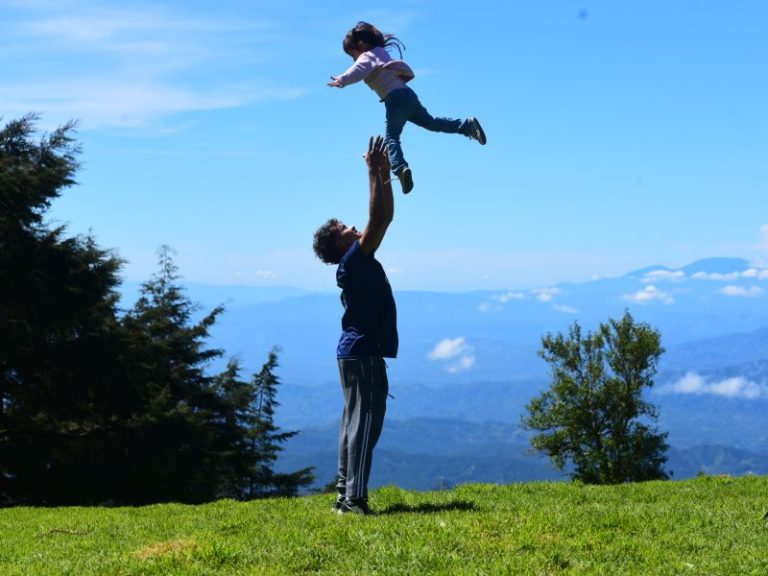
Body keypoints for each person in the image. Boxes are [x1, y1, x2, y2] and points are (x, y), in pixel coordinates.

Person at [312, 135, 397, 516]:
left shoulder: (353, 263)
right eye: (346, 227)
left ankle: (344, 496)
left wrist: (384, 174)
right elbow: (380, 219)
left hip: (354, 353)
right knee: (363, 426)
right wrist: (373, 173)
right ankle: (354, 500)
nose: (354, 227)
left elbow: (384, 218)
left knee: (353, 424)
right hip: (362, 354)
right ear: (339, 244)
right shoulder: (354, 260)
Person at [328, 21, 486, 195]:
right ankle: (466, 126)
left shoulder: (367, 57)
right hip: (408, 95)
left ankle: (400, 168)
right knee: (431, 122)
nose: (353, 59)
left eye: (352, 55)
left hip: (394, 100)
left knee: (392, 138)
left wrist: (341, 80)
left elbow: (357, 70)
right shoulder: (382, 53)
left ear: (361, 45)